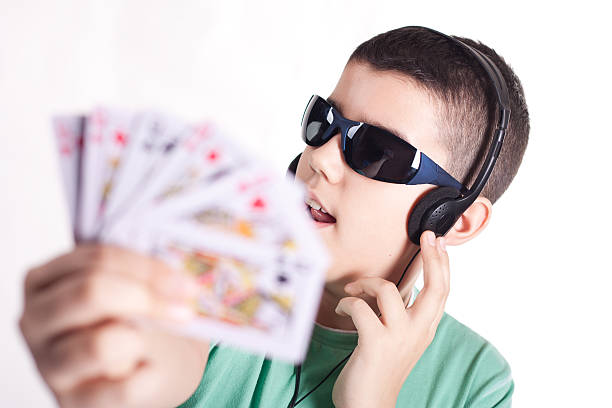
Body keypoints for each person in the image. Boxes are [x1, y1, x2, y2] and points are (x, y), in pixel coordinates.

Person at [19, 26, 529, 407]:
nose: (321, 158)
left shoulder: (479, 383)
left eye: (377, 151)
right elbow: (161, 360)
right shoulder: (208, 274)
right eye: (322, 122)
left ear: (454, 219)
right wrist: (121, 367)